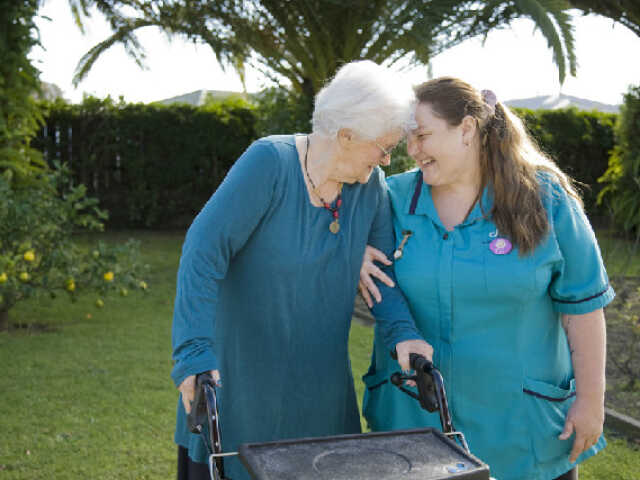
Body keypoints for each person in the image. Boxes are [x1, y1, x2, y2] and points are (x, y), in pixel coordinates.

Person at [170, 60, 433, 480]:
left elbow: (384, 277)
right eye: (382, 146)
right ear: (346, 136)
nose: (387, 156)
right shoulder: (269, 164)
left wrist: (404, 332)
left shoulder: (370, 187)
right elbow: (204, 252)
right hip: (240, 384)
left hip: (320, 392)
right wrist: (192, 353)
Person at [359, 77, 614, 480]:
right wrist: (351, 255)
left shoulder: (545, 199)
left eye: (423, 136)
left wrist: (591, 400)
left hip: (520, 431)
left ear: (467, 129)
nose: (412, 151)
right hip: (413, 424)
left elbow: (583, 308)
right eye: (407, 138)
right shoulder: (389, 199)